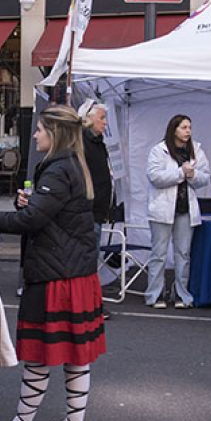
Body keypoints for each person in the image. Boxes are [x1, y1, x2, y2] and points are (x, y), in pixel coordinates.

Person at [0, 105, 106, 421]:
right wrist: (32, 203)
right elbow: (47, 214)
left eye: (39, 130)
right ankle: (73, 420)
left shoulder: (56, 169)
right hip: (75, 271)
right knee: (76, 354)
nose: (34, 134)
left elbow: (30, 222)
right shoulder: (73, 164)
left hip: (55, 274)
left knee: (39, 354)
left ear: (54, 133)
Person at [144, 114, 210, 309]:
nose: (188, 131)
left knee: (183, 254)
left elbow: (204, 178)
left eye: (189, 127)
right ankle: (154, 294)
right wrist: (181, 173)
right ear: (174, 129)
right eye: (183, 127)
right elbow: (155, 177)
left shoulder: (196, 150)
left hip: (185, 210)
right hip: (162, 209)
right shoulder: (159, 150)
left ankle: (182, 293)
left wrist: (193, 174)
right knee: (159, 253)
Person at [79, 100, 115, 320]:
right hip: (88, 211)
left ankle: (91, 303)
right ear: (89, 118)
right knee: (88, 261)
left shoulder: (97, 141)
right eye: (101, 118)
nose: (105, 122)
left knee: (90, 259)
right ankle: (91, 305)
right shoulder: (82, 142)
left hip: (97, 211)